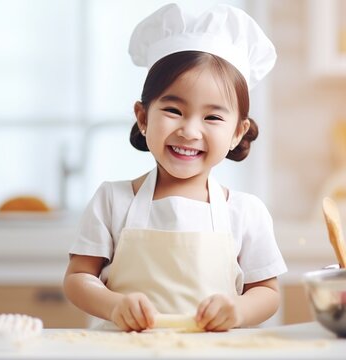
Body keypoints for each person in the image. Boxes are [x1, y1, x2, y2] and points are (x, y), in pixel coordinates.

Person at [63, 3, 287, 332]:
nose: (189, 131)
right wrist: (114, 305)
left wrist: (237, 310)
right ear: (142, 117)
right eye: (173, 110)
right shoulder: (112, 200)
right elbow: (78, 278)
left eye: (212, 117)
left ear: (237, 132)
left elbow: (267, 292)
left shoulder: (246, 212)